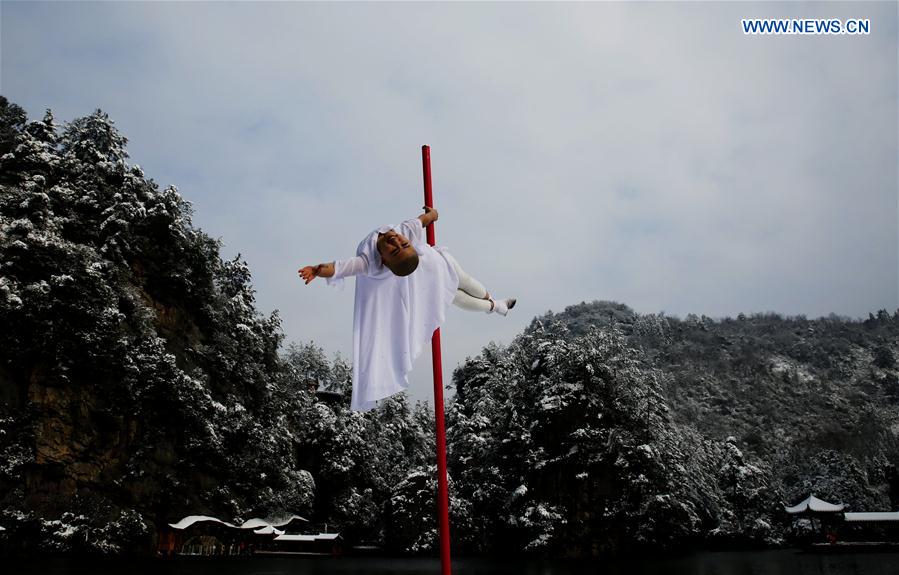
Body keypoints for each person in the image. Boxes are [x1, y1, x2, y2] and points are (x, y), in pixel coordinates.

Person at [298, 206, 515, 410]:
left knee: (464, 280)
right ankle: (496, 306)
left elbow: (422, 220)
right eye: (396, 248)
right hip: (423, 283)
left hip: (436, 265)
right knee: (456, 298)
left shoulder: (403, 232)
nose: (396, 242)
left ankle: (492, 299)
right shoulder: (370, 263)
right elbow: (339, 268)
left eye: (402, 245)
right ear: (384, 261)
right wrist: (317, 271)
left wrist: (433, 215)